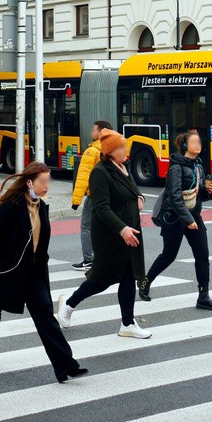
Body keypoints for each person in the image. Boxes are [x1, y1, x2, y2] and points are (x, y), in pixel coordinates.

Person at [0, 162, 88, 383]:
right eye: (43, 182)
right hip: (5, 272)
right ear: (30, 182)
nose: (47, 186)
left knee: (45, 316)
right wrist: (0, 265)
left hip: (32, 273)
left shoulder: (41, 207)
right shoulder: (11, 207)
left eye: (48, 181)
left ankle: (65, 365)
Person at [57, 129, 150, 339]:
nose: (126, 149)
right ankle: (68, 306)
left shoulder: (122, 168)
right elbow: (102, 207)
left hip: (129, 233)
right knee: (101, 279)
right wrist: (122, 229)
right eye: (122, 146)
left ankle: (127, 323)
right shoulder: (100, 172)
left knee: (128, 275)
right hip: (110, 236)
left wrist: (140, 197)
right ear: (111, 151)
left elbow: (134, 190)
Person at [138, 131, 212, 311]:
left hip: (194, 216)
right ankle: (145, 282)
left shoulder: (198, 167)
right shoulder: (175, 168)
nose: (197, 145)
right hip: (175, 218)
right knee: (169, 255)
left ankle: (203, 296)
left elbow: (198, 197)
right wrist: (187, 220)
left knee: (202, 255)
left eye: (199, 142)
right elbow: (174, 197)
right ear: (185, 146)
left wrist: (209, 191)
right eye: (193, 142)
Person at [70, 120, 113, 271]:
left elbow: (83, 177)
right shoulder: (111, 149)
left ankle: (88, 259)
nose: (91, 133)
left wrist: (76, 200)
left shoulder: (92, 151)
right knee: (106, 226)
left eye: (94, 130)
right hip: (109, 195)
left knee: (87, 226)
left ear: (101, 132)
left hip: (94, 196)